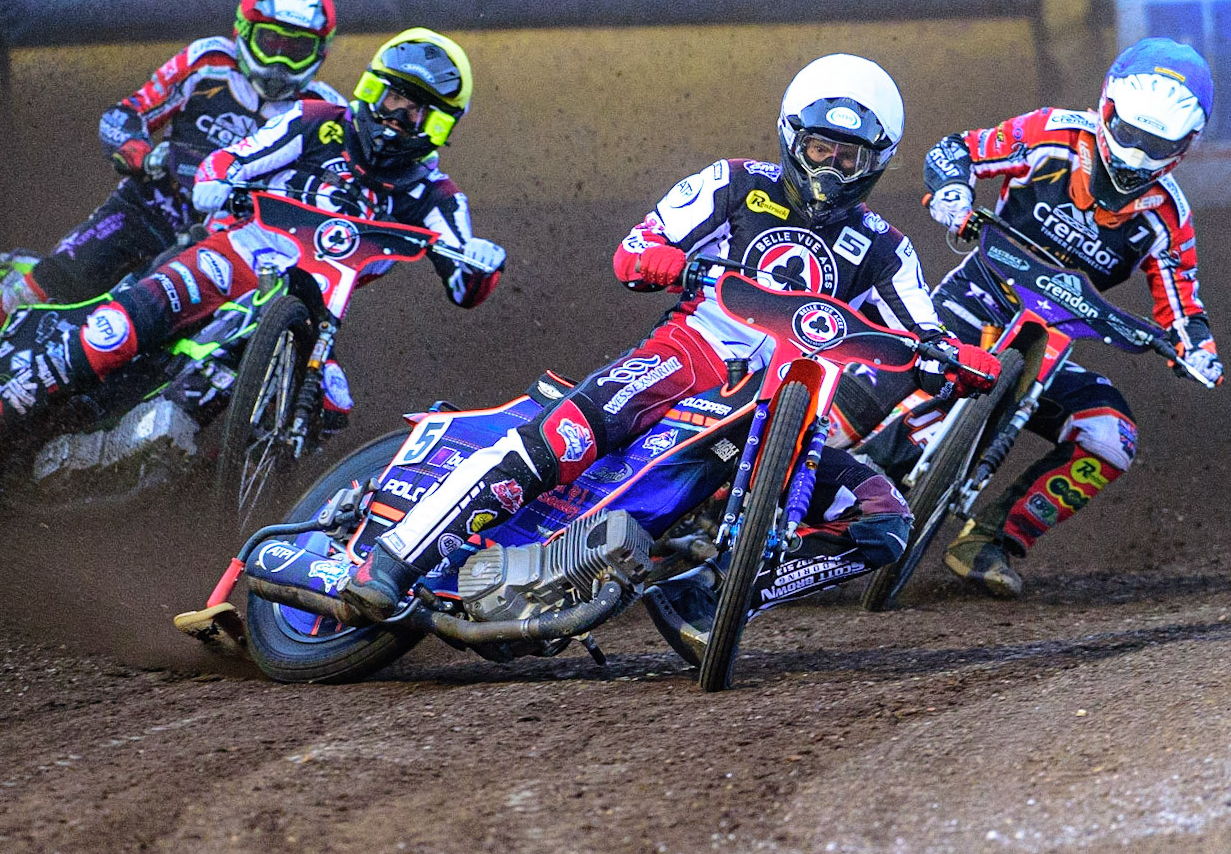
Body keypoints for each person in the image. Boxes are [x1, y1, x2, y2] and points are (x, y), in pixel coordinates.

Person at [338, 53, 1000, 664]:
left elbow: (921, 328)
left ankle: (713, 582)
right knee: (560, 439)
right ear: (791, 137)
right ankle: (396, 557)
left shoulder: (884, 247)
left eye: (848, 158)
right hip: (688, 355)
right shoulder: (736, 183)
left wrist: (951, 358)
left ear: (876, 163)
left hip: (795, 404)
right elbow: (638, 245)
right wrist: (662, 259)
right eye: (819, 148)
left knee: (887, 522)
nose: (828, 168)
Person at [0, 29, 507, 493]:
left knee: (331, 402)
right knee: (114, 329)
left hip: (311, 311)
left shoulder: (435, 194)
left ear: (439, 122)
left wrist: (481, 261)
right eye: (392, 97)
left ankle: (201, 493)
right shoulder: (317, 122)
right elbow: (239, 157)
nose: (398, 116)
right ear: (371, 90)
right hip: (234, 256)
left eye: (416, 108)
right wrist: (217, 176)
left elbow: (465, 283)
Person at [0, 0, 344, 415]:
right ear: (243, 32)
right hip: (152, 206)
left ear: (319, 52)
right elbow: (125, 114)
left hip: (231, 244)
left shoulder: (327, 113)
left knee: (208, 346)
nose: (280, 62)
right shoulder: (207, 64)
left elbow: (341, 196)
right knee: (47, 282)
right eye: (271, 42)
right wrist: (141, 154)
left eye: (296, 49)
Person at [838, 37, 1219, 598]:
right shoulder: (1053, 134)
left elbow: (1183, 302)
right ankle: (742, 497)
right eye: (1131, 135)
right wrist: (953, 192)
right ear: (1107, 108)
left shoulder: (1168, 218)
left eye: (1156, 143)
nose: (1137, 155)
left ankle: (992, 540)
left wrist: (1197, 350)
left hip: (1053, 343)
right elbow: (957, 150)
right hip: (977, 300)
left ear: (1184, 145)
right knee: (870, 388)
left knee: (1112, 436)